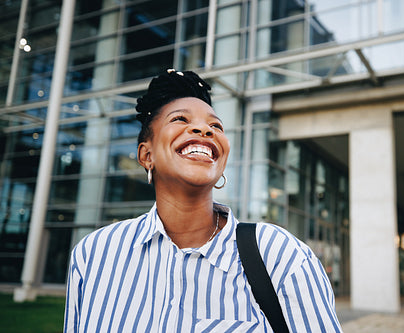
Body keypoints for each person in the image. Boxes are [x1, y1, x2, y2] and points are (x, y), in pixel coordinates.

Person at [64, 69, 343, 332]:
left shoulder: (282, 256)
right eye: (180, 120)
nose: (204, 130)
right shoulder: (94, 254)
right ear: (146, 155)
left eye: (215, 125)